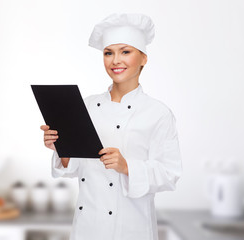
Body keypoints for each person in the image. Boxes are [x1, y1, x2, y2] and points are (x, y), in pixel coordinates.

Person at [40, 13, 182, 240]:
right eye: (108, 53)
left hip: (132, 229)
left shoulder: (158, 113)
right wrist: (61, 148)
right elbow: (74, 167)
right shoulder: (85, 106)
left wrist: (127, 166)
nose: (116, 60)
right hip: (88, 228)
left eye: (125, 51)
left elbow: (169, 174)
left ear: (143, 58)